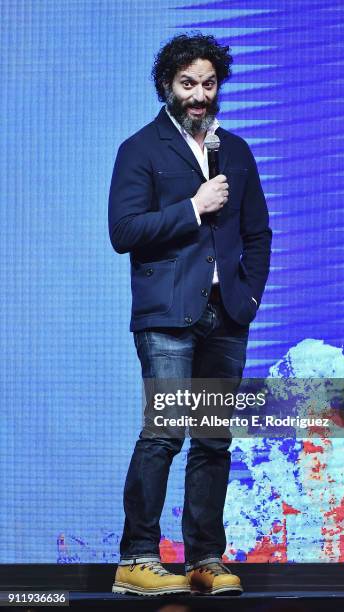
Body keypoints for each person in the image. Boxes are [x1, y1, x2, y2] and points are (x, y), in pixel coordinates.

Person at [108, 33, 272, 596]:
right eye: (188, 84)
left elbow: (258, 232)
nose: (199, 95)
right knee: (165, 433)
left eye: (208, 84)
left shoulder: (238, 150)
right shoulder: (142, 149)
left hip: (226, 317)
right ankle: (138, 558)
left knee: (213, 440)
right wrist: (192, 207)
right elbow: (124, 232)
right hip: (168, 316)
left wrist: (247, 299)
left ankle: (205, 557)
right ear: (167, 87)